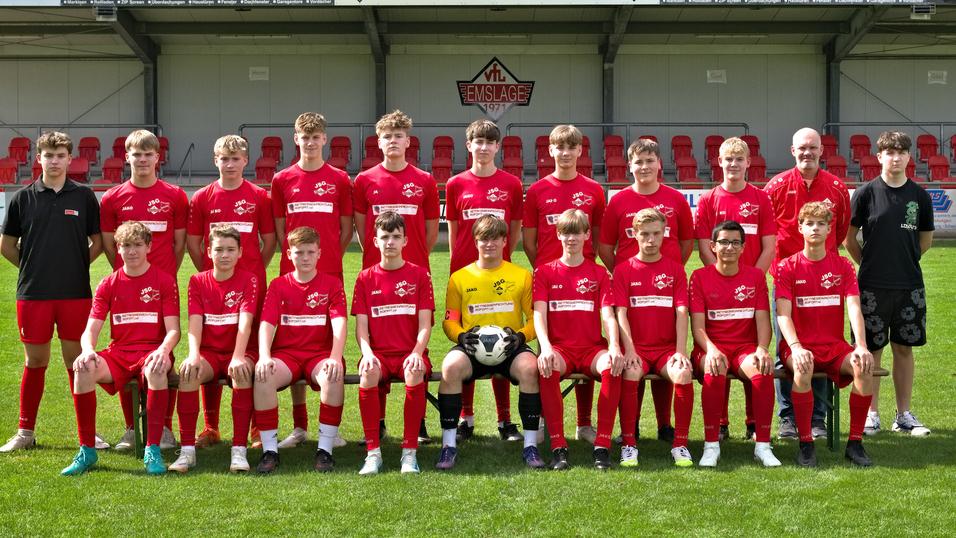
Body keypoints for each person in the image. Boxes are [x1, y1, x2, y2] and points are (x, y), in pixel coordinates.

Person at [1, 131, 104, 453]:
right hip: (34, 294)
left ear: (70, 159)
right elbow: (6, 245)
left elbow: (98, 242)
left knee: (77, 362)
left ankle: (88, 435)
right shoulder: (22, 198)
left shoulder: (84, 196)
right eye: (49, 155)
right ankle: (25, 432)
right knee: (35, 361)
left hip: (75, 293)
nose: (54, 161)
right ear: (39, 159)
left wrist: (75, 264)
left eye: (60, 155)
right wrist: (33, 268)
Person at [60, 222, 180, 476]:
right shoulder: (108, 283)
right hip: (120, 352)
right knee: (83, 368)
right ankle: (87, 450)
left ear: (149, 247)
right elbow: (91, 329)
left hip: (153, 350)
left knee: (157, 369)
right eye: (126, 245)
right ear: (118, 248)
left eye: (137, 245)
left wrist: (163, 350)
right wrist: (87, 350)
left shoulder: (164, 280)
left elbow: (173, 330)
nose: (132, 251)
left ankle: (152, 448)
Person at [353, 109, 439, 443]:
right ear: (378, 142)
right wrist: (383, 257)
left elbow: (430, 232)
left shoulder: (424, 180)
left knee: (414, 342)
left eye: (398, 136)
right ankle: (379, 421)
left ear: (408, 141)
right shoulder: (364, 180)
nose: (392, 141)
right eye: (387, 136)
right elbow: (364, 231)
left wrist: (410, 257)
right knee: (377, 342)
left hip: (414, 273)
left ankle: (418, 422)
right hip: (377, 276)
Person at [599, 138, 693, 443]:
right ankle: (633, 425)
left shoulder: (676, 199)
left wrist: (667, 270)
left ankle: (665, 425)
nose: (644, 167)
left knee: (664, 347)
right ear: (630, 166)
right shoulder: (619, 201)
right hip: (630, 287)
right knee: (633, 355)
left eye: (650, 160)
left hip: (665, 285)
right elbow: (605, 247)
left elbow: (686, 243)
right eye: (638, 162)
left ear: (659, 164)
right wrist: (625, 273)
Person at [100, 129, 188, 450]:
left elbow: (179, 244)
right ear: (127, 158)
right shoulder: (112, 198)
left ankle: (163, 427)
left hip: (161, 289)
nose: (142, 160)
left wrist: (162, 277)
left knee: (163, 353)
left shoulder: (175, 196)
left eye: (148, 154)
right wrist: (127, 276)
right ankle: (130, 428)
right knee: (123, 352)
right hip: (125, 289)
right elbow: (110, 245)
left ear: (157, 158)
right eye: (136, 154)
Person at [186, 135, 275, 450]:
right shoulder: (202, 197)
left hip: (252, 287)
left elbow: (269, 241)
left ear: (245, 161)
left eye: (236, 158)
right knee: (211, 345)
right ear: (215, 161)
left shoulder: (259, 196)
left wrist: (251, 271)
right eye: (224, 158)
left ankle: (255, 428)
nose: (230, 164)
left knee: (249, 353)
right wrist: (210, 272)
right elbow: (193, 243)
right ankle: (211, 427)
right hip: (214, 286)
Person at [271, 112, 353, 450]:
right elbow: (280, 229)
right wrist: (297, 262)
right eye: (304, 137)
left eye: (315, 136)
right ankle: (300, 425)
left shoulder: (340, 179)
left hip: (329, 272)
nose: (310, 142)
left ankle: (330, 429)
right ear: (296, 139)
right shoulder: (282, 179)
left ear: (324, 139)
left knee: (327, 346)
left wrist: (327, 259)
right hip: (292, 274)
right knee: (292, 341)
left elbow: (346, 229)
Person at [534, 209, 639, 471]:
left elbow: (608, 315)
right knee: (547, 366)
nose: (571, 238)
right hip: (561, 349)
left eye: (576, 233)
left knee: (612, 365)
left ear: (587, 235)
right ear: (558, 235)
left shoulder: (599, 273)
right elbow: (539, 315)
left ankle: (602, 446)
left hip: (592, 348)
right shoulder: (544, 272)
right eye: (566, 233)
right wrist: (545, 348)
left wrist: (614, 346)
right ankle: (558, 446)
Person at [435, 215, 543, 470]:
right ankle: (448, 445)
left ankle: (530, 446)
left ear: (505, 241)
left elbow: (533, 319)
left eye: (495, 238)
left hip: (510, 347)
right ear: (475, 242)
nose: (489, 244)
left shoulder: (521, 275)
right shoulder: (460, 277)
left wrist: (520, 336)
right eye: (484, 239)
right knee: (450, 367)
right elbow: (449, 321)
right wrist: (461, 336)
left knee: (530, 368)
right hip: (473, 347)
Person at [844, 131, 934, 437]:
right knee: (872, 350)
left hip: (909, 285)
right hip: (872, 286)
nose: (896, 158)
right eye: (890, 152)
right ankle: (871, 414)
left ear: (909, 157)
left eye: (901, 152)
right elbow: (849, 239)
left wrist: (904, 261)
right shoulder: (865, 193)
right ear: (879, 156)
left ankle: (904, 414)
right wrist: (868, 265)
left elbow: (925, 240)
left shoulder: (919, 196)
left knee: (904, 349)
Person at [765, 127, 851, 440]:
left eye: (813, 147)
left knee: (825, 346)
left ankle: (817, 418)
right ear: (792, 151)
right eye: (802, 148)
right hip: (786, 280)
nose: (807, 153)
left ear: (821, 151)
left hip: (825, 281)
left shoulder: (837, 188)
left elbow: (840, 232)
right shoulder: (776, 186)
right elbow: (766, 232)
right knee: (786, 348)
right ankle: (788, 418)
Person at [522, 124, 606, 444]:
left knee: (587, 341)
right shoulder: (537, 190)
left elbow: (597, 238)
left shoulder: (594, 190)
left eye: (572, 147)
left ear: (580, 151)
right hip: (550, 279)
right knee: (549, 348)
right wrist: (548, 270)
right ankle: (546, 420)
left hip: (584, 279)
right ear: (550, 151)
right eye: (560, 147)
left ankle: (584, 424)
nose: (566, 153)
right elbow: (529, 241)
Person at [774, 202, 875, 467]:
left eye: (821, 224)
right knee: (803, 367)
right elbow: (783, 315)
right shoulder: (787, 267)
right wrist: (796, 347)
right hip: (798, 346)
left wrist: (861, 345)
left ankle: (855, 443)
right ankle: (806, 444)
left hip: (834, 346)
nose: (815, 228)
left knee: (863, 366)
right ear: (800, 228)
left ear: (830, 229)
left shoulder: (843, 265)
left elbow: (854, 308)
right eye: (809, 223)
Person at [444, 119, 523, 443]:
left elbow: (513, 231)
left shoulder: (512, 184)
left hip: (500, 276)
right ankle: (467, 418)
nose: (484, 147)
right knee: (470, 342)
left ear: (497, 147)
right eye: (479, 141)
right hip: (467, 277)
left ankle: (505, 420)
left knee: (501, 341)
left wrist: (501, 263)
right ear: (469, 145)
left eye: (490, 142)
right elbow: (453, 234)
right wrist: (460, 271)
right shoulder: (455, 184)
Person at [694, 137, 776, 441]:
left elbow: (769, 246)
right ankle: (721, 422)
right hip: (718, 286)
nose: (733, 164)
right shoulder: (708, 199)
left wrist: (750, 280)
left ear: (748, 163)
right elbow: (705, 246)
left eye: (739, 159)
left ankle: (754, 422)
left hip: (751, 288)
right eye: (728, 159)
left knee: (753, 348)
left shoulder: (761, 198)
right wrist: (721, 277)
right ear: (719, 162)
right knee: (719, 347)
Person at [254, 226, 347, 473]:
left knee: (333, 374)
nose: (305, 258)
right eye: (299, 252)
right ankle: (269, 451)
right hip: (287, 355)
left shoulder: (332, 284)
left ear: (319, 254)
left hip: (319, 355)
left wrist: (335, 357)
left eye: (310, 252)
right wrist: (264, 356)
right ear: (289, 255)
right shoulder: (278, 285)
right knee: (263, 375)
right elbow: (266, 324)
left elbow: (340, 323)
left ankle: (325, 450)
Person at [689, 220, 781, 468]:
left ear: (743, 247)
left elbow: (763, 320)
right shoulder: (699, 277)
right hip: (710, 347)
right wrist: (711, 349)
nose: (729, 247)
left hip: (744, 349)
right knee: (715, 367)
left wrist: (762, 348)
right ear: (712, 246)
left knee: (763, 369)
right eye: (723, 242)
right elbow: (697, 326)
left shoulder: (755, 276)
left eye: (735, 242)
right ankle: (711, 446)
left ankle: (763, 446)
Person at [169, 225, 259, 473]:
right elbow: (195, 322)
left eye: (230, 249)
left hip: (241, 351)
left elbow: (245, 323)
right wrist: (193, 355)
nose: (225, 255)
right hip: (210, 352)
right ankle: (187, 452)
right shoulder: (198, 281)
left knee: (241, 372)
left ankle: (239, 451)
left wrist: (238, 356)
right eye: (219, 249)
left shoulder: (249, 279)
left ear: (240, 252)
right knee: (188, 373)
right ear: (209, 252)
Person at [612, 208, 695, 467]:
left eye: (656, 234)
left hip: (666, 350)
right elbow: (621, 313)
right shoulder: (623, 270)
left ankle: (680, 445)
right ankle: (629, 444)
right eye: (645, 234)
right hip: (637, 349)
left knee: (683, 374)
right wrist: (629, 350)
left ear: (664, 233)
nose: (651, 240)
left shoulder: (675, 269)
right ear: (634, 234)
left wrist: (680, 351)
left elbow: (681, 312)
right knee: (630, 372)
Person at [353, 212, 434, 474]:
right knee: (368, 372)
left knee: (415, 371)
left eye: (396, 236)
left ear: (405, 241)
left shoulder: (420, 275)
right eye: (385, 236)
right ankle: (373, 453)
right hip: (378, 354)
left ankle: (409, 453)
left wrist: (417, 352)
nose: (390, 242)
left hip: (409, 352)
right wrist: (367, 353)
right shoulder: (365, 278)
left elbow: (425, 324)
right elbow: (361, 327)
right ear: (375, 241)